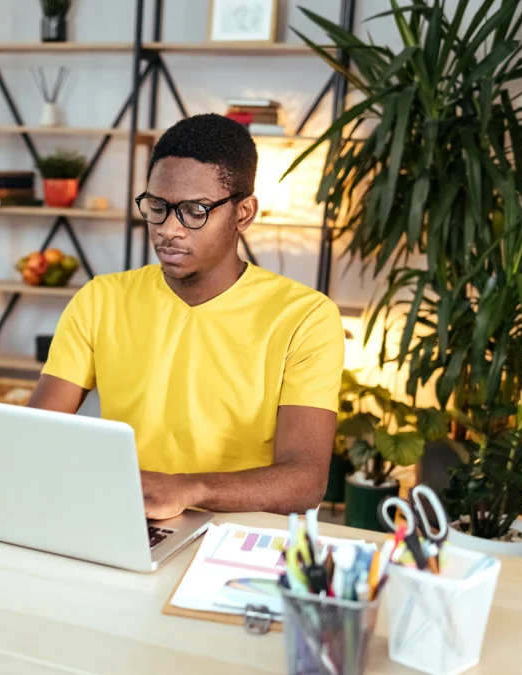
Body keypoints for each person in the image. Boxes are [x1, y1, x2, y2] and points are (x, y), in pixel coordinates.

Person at [28, 113, 345, 519]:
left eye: (195, 210)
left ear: (244, 213)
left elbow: (305, 480)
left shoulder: (306, 317)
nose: (169, 230)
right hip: (127, 518)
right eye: (157, 206)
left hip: (235, 534)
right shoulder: (100, 299)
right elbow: (36, 435)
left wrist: (185, 489)